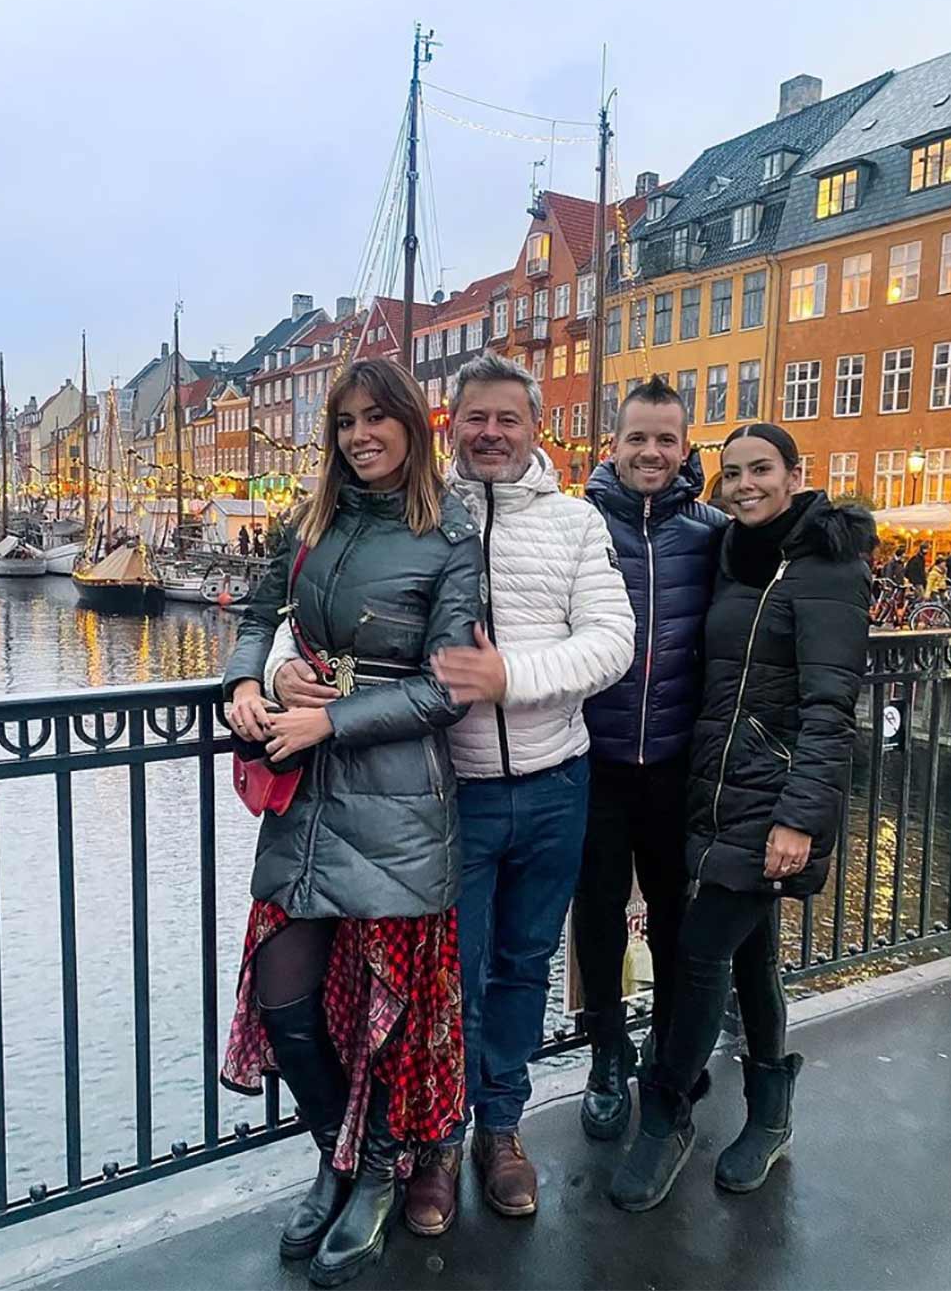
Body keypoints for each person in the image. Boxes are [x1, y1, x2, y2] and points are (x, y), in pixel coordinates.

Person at [221, 358, 484, 1287]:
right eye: (345, 422)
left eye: (377, 419)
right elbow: (256, 617)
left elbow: (450, 683)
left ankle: (377, 1174)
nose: (359, 436)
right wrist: (247, 681)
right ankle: (342, 1157)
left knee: (391, 1017)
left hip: (398, 799)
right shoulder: (311, 517)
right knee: (285, 998)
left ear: (411, 425)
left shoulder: (450, 531)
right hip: (306, 792)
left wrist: (328, 716)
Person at [610, 422, 873, 1213]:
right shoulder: (735, 553)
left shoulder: (829, 566)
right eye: (732, 474)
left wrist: (799, 819)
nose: (746, 484)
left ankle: (667, 1111)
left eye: (762, 470)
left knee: (697, 953)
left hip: (775, 803)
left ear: (797, 474)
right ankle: (770, 1110)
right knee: (751, 954)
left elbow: (831, 710)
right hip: (715, 792)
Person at [400, 350, 634, 1235]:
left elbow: (613, 639)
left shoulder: (574, 524)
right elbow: (329, 610)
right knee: (451, 977)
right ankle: (436, 1139)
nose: (491, 433)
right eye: (476, 419)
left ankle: (500, 1130)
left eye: (508, 419)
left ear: (536, 429)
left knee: (524, 968)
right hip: (445, 794)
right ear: (450, 426)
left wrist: (513, 677)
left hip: (551, 784)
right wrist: (274, 672)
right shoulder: (421, 516)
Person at [573, 375, 724, 1141]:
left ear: (686, 447)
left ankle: (668, 1046)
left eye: (667, 439)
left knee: (675, 917)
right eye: (639, 438)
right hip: (592, 758)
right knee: (596, 914)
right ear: (614, 445)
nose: (652, 452)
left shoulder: (710, 532)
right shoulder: (579, 526)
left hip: (675, 761)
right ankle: (606, 1051)